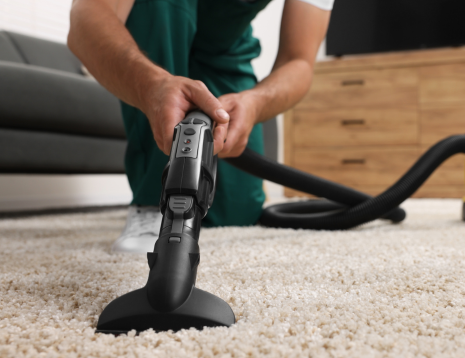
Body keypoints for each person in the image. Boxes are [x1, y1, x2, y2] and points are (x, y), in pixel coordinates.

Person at [68, 0, 332, 253]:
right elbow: (86, 16)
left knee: (238, 212)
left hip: (225, 50)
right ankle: (152, 203)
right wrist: (152, 87)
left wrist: (255, 102)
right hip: (159, 33)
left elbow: (298, 61)